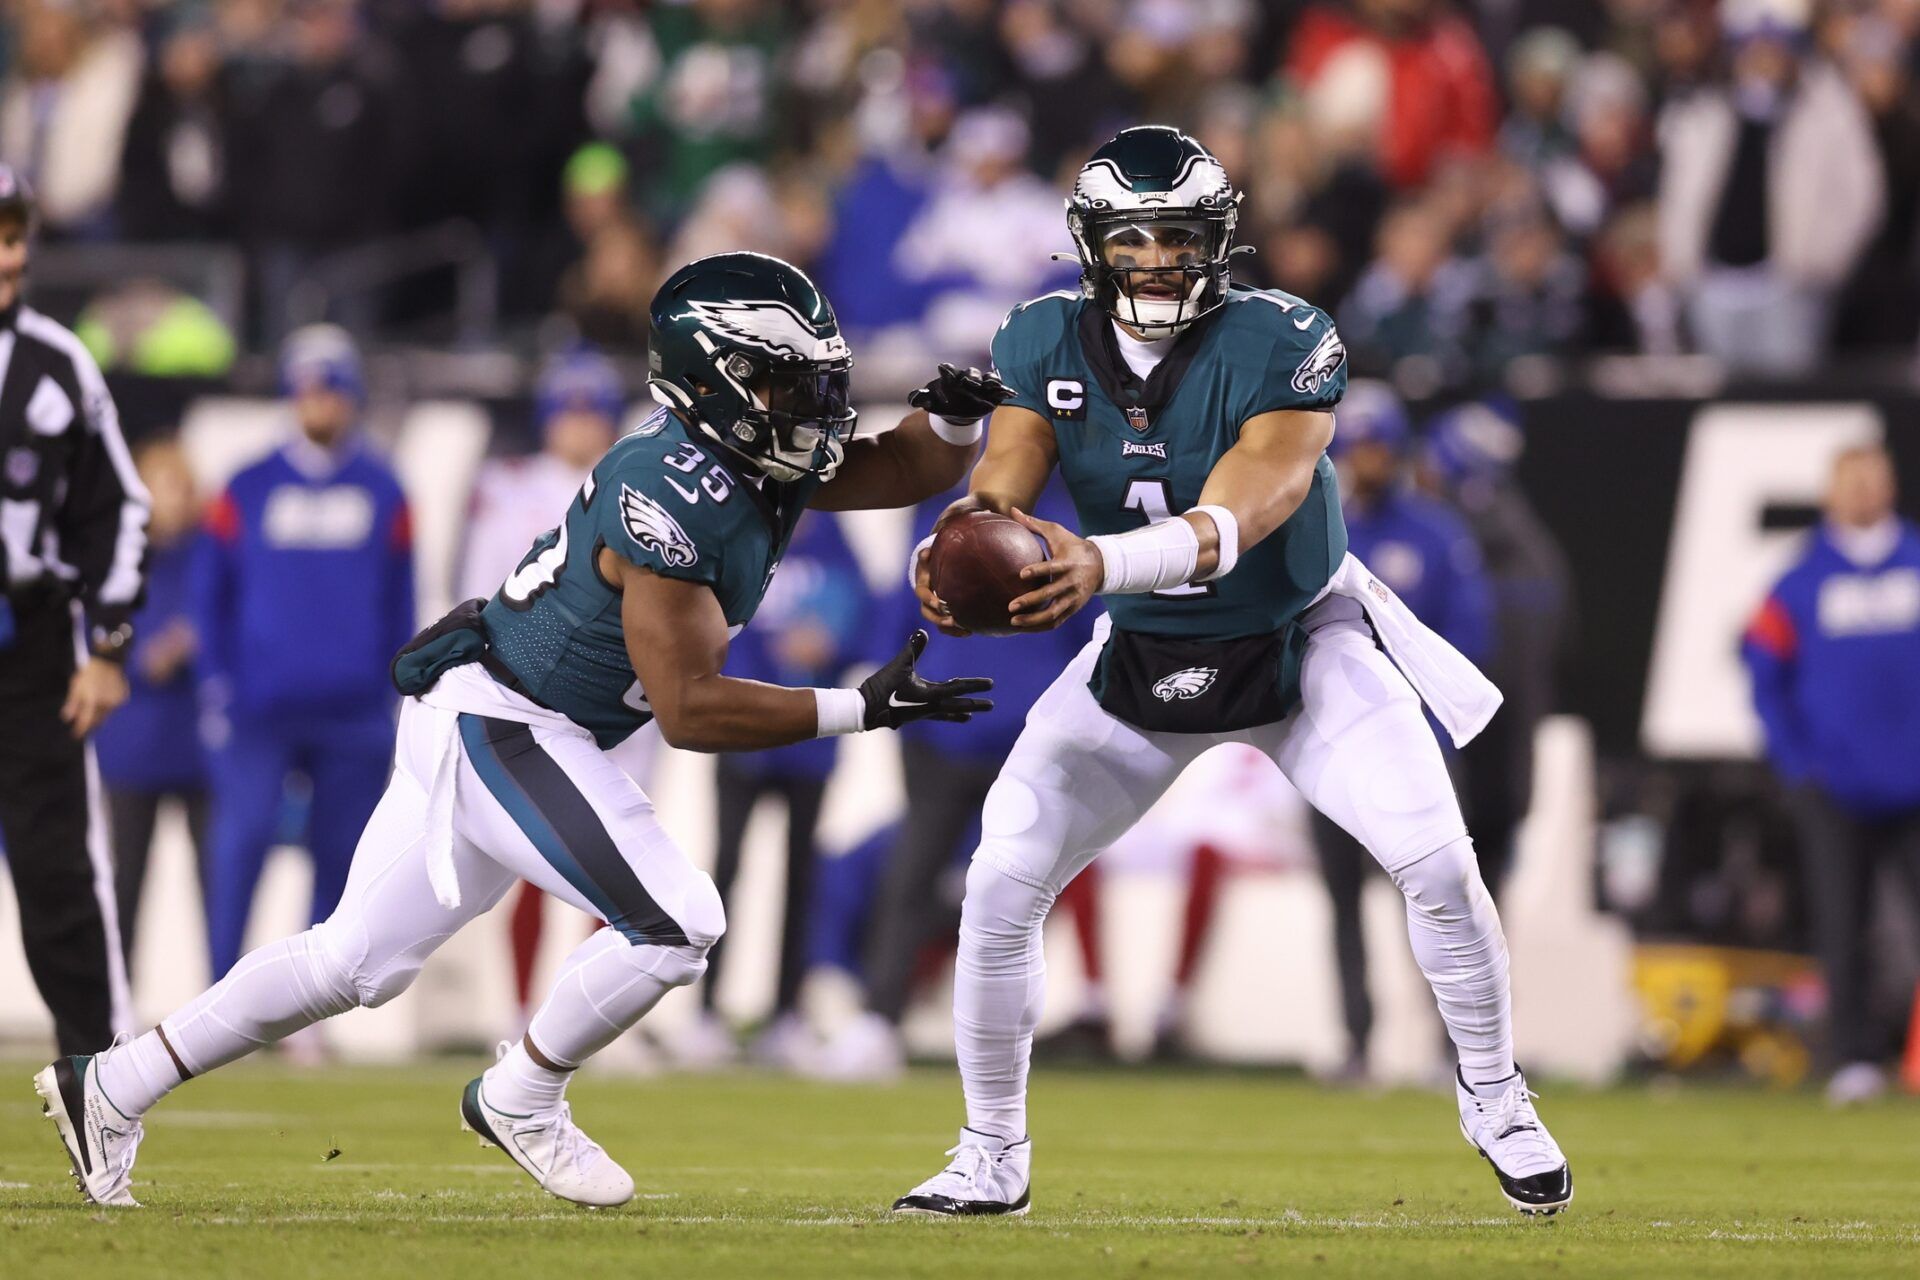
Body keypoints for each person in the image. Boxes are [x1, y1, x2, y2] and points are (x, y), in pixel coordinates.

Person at [36, 251, 1007, 1212]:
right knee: (679, 919)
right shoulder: (667, 493)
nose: (815, 406)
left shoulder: (749, 456)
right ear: (718, 380)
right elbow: (689, 707)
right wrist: (857, 708)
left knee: (350, 961)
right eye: (789, 381)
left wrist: (958, 417)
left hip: (505, 713)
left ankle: (112, 1084)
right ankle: (523, 1091)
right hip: (510, 720)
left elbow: (893, 465)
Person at [896, 127, 1570, 1219]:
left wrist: (1101, 559)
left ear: (1221, 240)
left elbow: (1244, 510)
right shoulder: (1042, 338)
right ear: (1092, 246)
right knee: (999, 881)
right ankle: (989, 1150)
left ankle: (1495, 1092)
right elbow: (1009, 471)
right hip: (1142, 651)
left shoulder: (1284, 337)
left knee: (1438, 863)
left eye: (1180, 235)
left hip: (1300, 641)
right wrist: (968, 541)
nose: (1159, 257)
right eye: (1137, 236)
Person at [805, 480, 1098, 1081]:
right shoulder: (952, 508)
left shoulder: (1061, 514)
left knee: (1011, 886)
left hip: (1022, 731)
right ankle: (883, 1018)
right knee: (921, 875)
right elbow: (904, 602)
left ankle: (978, 1027)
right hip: (950, 723)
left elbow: (1089, 630)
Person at [191, 326, 416, 981]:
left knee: (342, 855)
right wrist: (218, 683)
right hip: (260, 705)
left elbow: (400, 597)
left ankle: (308, 1003)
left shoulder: (384, 489)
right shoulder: (247, 486)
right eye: (308, 389)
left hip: (352, 707)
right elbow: (212, 594)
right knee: (241, 841)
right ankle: (218, 988)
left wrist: (394, 690)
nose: (319, 403)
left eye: (332, 389)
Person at [0, 165, 149, 1056]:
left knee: (59, 878)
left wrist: (109, 644)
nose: (4, 253)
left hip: (31, 646)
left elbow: (117, 509)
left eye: (12, 232)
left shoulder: (58, 361)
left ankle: (98, 1082)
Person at [458, 347, 651, 1030]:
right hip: (530, 695)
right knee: (529, 861)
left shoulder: (636, 485)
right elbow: (478, 590)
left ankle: (587, 1016)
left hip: (613, 695)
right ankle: (518, 1010)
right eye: (568, 411)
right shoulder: (510, 488)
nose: (579, 425)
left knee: (614, 862)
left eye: (591, 411)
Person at [1314, 380, 1492, 1080]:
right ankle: (1357, 1042)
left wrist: (1421, 727)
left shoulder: (1437, 534)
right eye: (1353, 447)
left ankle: (1456, 1049)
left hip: (1411, 749)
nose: (1365, 459)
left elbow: (1468, 637)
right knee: (1341, 902)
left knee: (1436, 896)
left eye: (1376, 445)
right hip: (1326, 747)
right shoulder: (1314, 524)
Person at [1742, 443, 1920, 1106]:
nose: (1864, 491)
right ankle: (1851, 1056)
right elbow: (1763, 673)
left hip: (1914, 782)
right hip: (1836, 787)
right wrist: (1799, 763)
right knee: (1842, 924)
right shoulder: (1801, 579)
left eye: (1875, 477)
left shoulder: (1915, 560)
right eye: (1852, 480)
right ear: (1829, 492)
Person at [691, 509, 870, 1067]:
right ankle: (704, 1012)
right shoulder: (743, 527)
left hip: (809, 742)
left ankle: (788, 1012)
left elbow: (867, 610)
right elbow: (705, 613)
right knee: (722, 873)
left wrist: (831, 640)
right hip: (741, 731)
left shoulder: (837, 539)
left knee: (802, 878)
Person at [95, 436, 209, 970]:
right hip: (131, 745)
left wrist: (199, 639)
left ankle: (229, 1009)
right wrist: (144, 653)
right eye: (163, 485)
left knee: (217, 884)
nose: (175, 499)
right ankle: (110, 1016)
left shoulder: (210, 553)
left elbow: (228, 621)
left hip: (198, 743)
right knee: (123, 882)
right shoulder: (118, 558)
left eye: (181, 486)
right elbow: (93, 631)